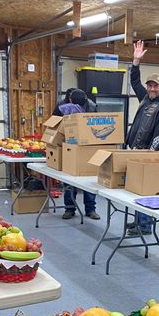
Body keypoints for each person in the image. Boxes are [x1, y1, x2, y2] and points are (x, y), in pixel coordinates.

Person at [126, 40, 159, 235]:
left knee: (146, 189)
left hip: (147, 153)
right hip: (134, 150)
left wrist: (150, 154)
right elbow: (134, 81)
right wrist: (136, 62)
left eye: (155, 86)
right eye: (150, 85)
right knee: (138, 188)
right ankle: (139, 221)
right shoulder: (145, 98)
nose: (152, 89)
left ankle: (145, 225)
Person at [54, 88, 99, 220]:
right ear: (69, 99)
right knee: (69, 180)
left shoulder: (91, 107)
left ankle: (91, 209)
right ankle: (69, 208)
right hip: (69, 145)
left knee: (89, 180)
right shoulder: (62, 106)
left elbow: (96, 125)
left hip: (87, 147)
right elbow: (54, 123)